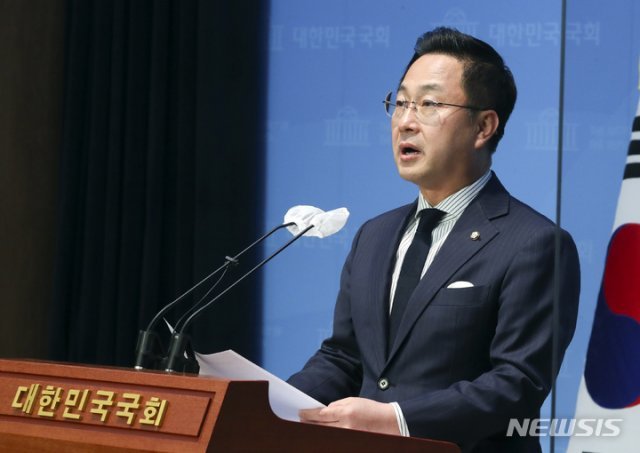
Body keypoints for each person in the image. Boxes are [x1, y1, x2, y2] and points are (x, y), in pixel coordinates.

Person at [287, 27, 580, 452]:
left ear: (484, 126)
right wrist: (272, 402)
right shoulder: (374, 235)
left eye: (428, 104)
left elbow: (517, 383)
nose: (406, 121)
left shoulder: (534, 243)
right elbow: (344, 358)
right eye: (401, 102)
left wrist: (397, 419)